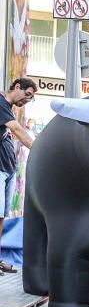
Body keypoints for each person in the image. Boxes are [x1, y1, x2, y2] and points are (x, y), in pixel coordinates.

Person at [0, 77, 35, 275]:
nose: (27, 100)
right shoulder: (1, 102)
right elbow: (16, 129)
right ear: (16, 87)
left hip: (7, 169)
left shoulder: (8, 107)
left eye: (31, 98)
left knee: (2, 216)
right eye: (27, 94)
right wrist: (39, 149)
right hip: (0, 169)